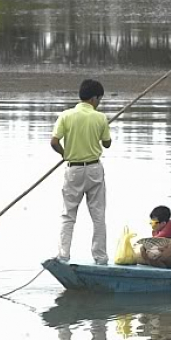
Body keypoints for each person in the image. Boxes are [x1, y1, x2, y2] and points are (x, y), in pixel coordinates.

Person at [51, 79, 112, 265]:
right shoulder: (100, 117)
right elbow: (107, 144)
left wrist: (66, 154)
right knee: (98, 215)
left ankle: (63, 255)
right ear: (94, 98)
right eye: (99, 99)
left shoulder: (66, 115)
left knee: (68, 215)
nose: (99, 102)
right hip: (94, 169)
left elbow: (54, 142)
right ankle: (100, 258)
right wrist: (104, 130)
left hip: (73, 169)